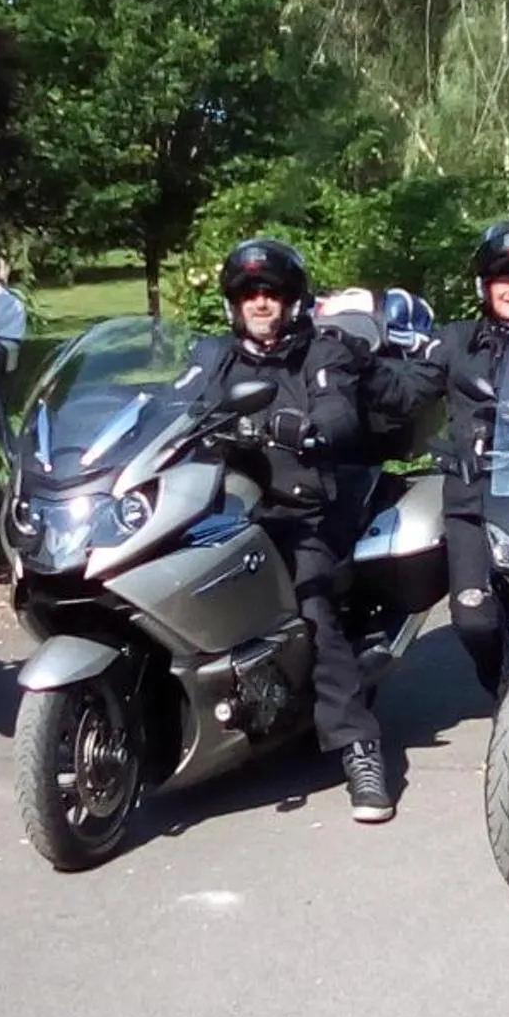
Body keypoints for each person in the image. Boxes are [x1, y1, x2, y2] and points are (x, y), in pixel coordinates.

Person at [172, 238, 421, 823]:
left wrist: (308, 429)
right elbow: (169, 402)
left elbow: (336, 410)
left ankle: (358, 748)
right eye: (249, 293)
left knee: (312, 609)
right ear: (234, 302)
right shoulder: (212, 357)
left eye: (272, 293)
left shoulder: (320, 354)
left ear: (291, 300)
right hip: (218, 507)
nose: (261, 302)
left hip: (300, 510)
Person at [430, 219, 509, 696]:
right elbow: (405, 391)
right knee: (474, 619)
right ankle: (504, 691)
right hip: (473, 499)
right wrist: (362, 366)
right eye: (504, 279)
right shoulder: (454, 340)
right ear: (485, 285)